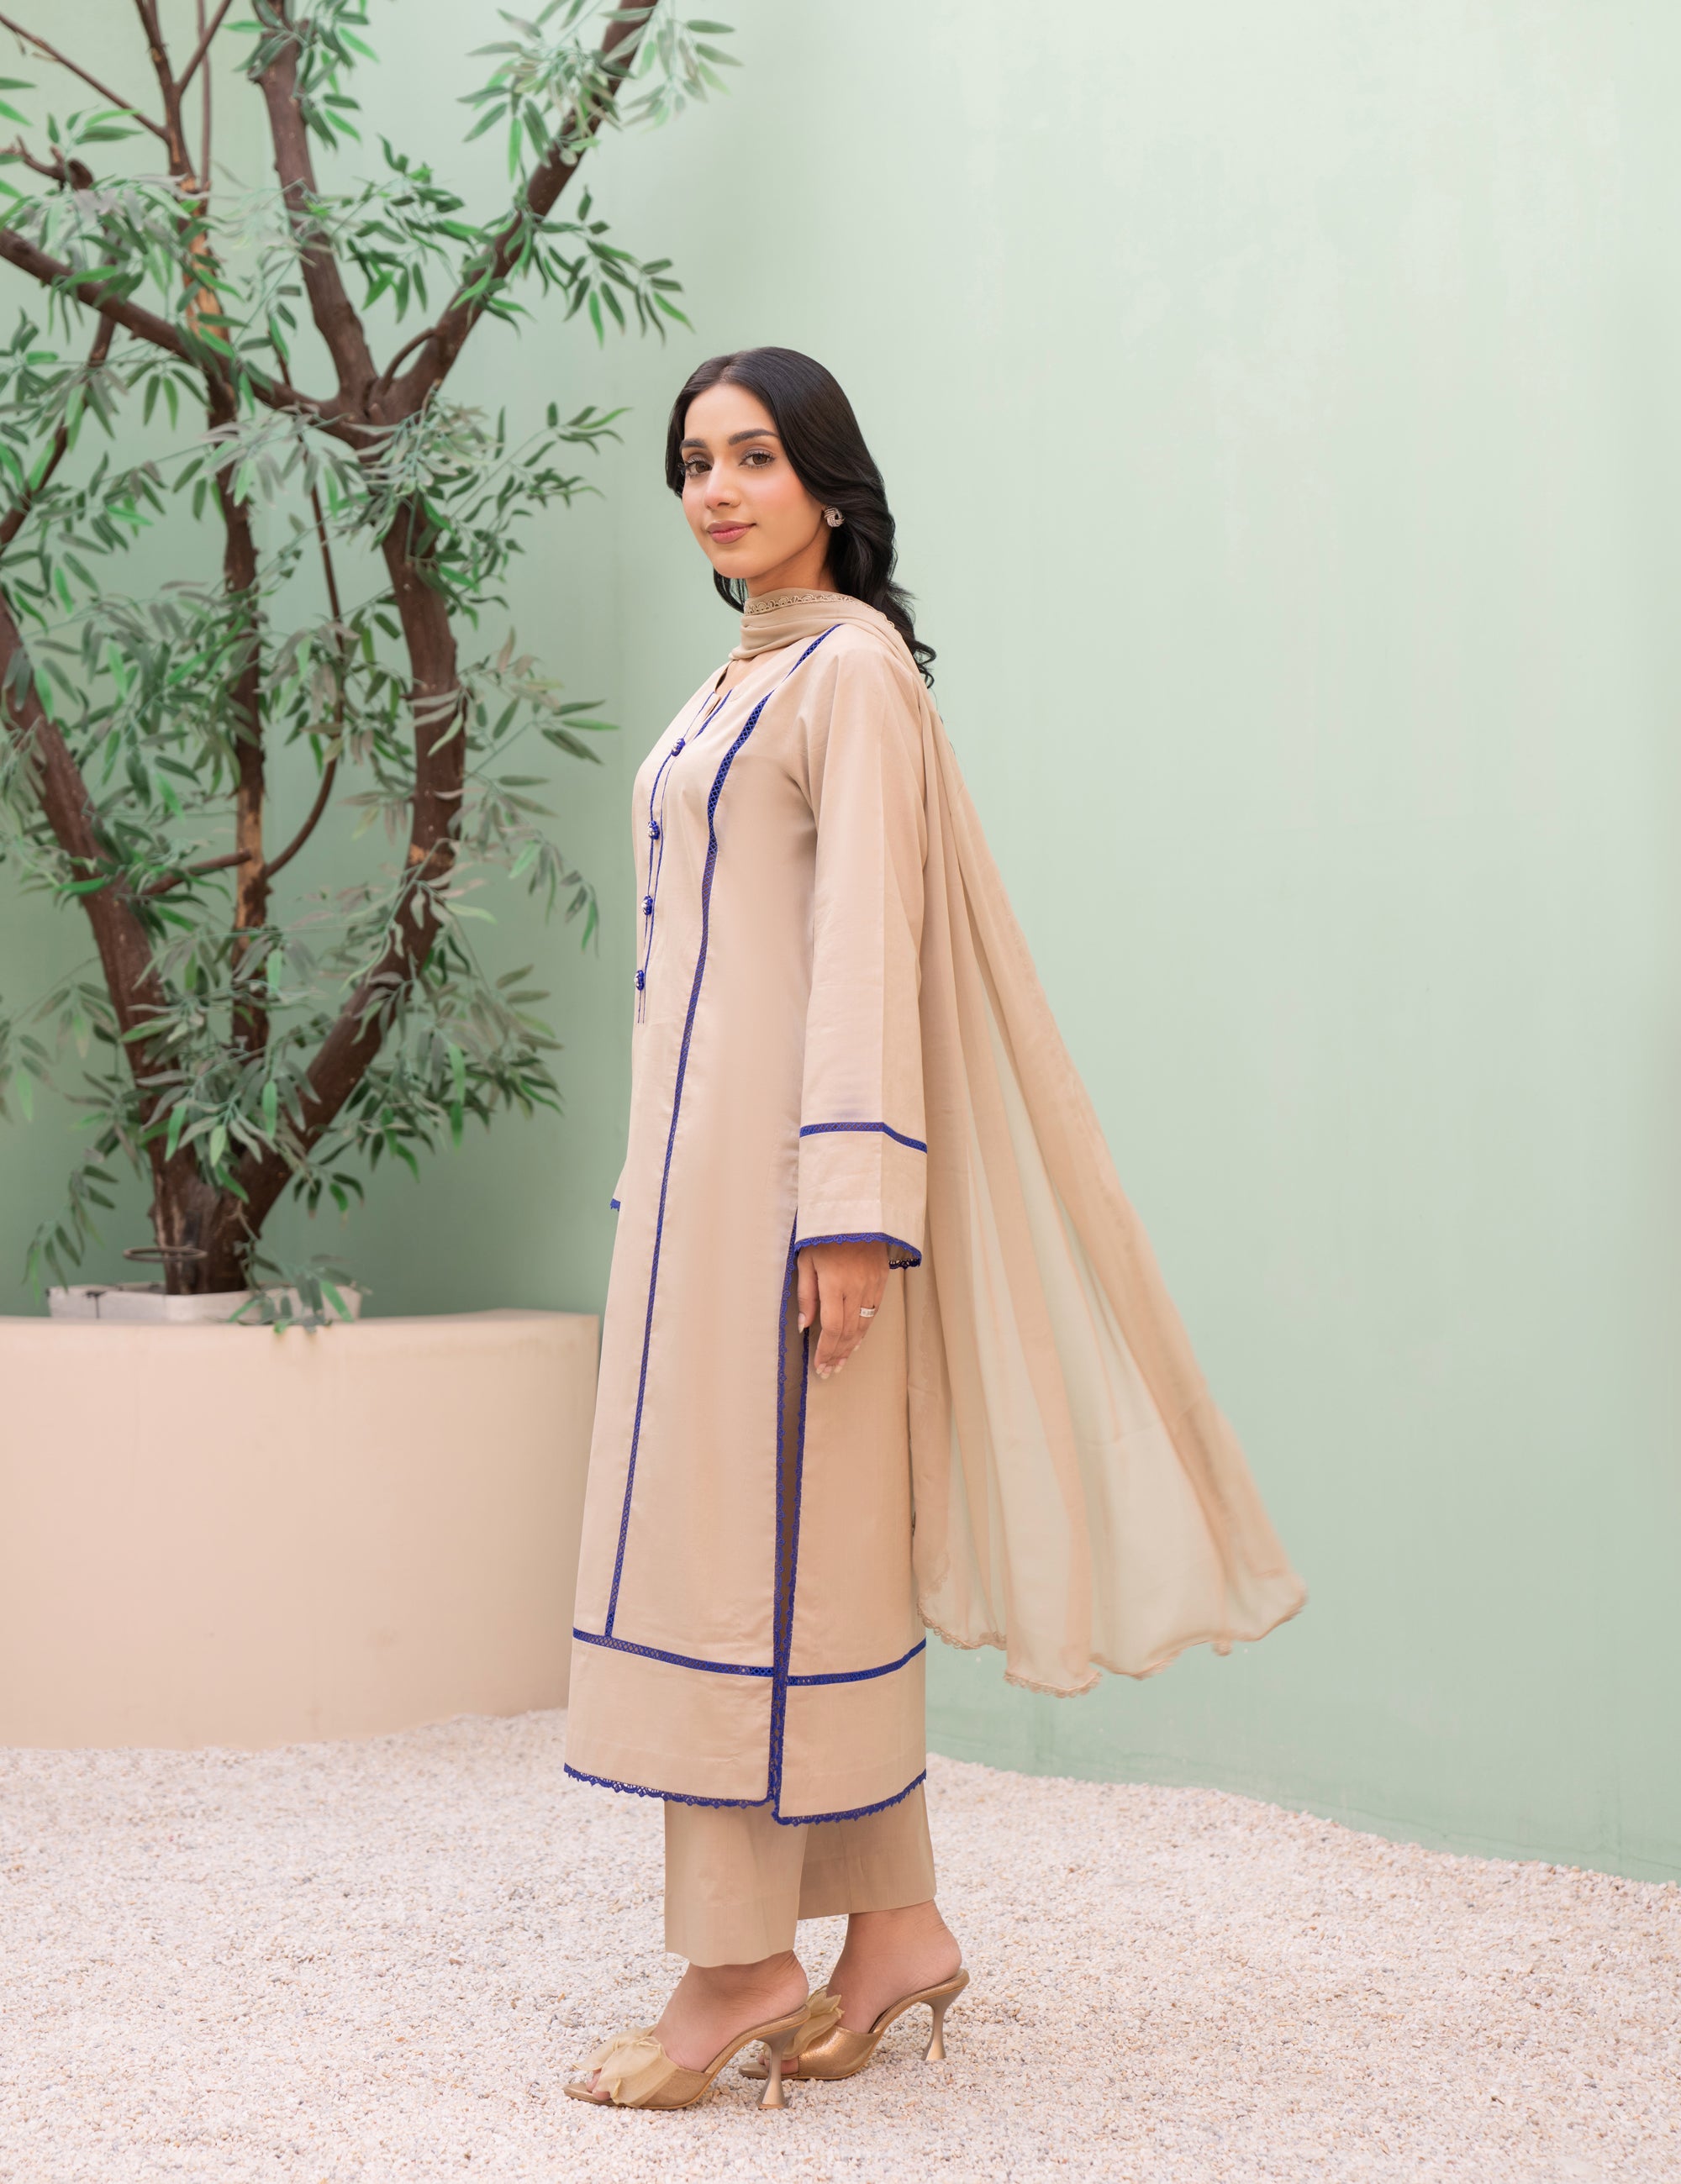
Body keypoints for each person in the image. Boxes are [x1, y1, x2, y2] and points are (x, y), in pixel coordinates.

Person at [563, 348, 1305, 2113]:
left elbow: (865, 958)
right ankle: (892, 1929)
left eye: (753, 455)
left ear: (829, 478)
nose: (717, 489)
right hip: (691, 1206)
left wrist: (850, 1211)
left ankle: (734, 1967)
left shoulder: (852, 674)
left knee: (740, 1570)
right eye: (691, 463)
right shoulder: (737, 679)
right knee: (792, 1565)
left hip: (783, 1212)